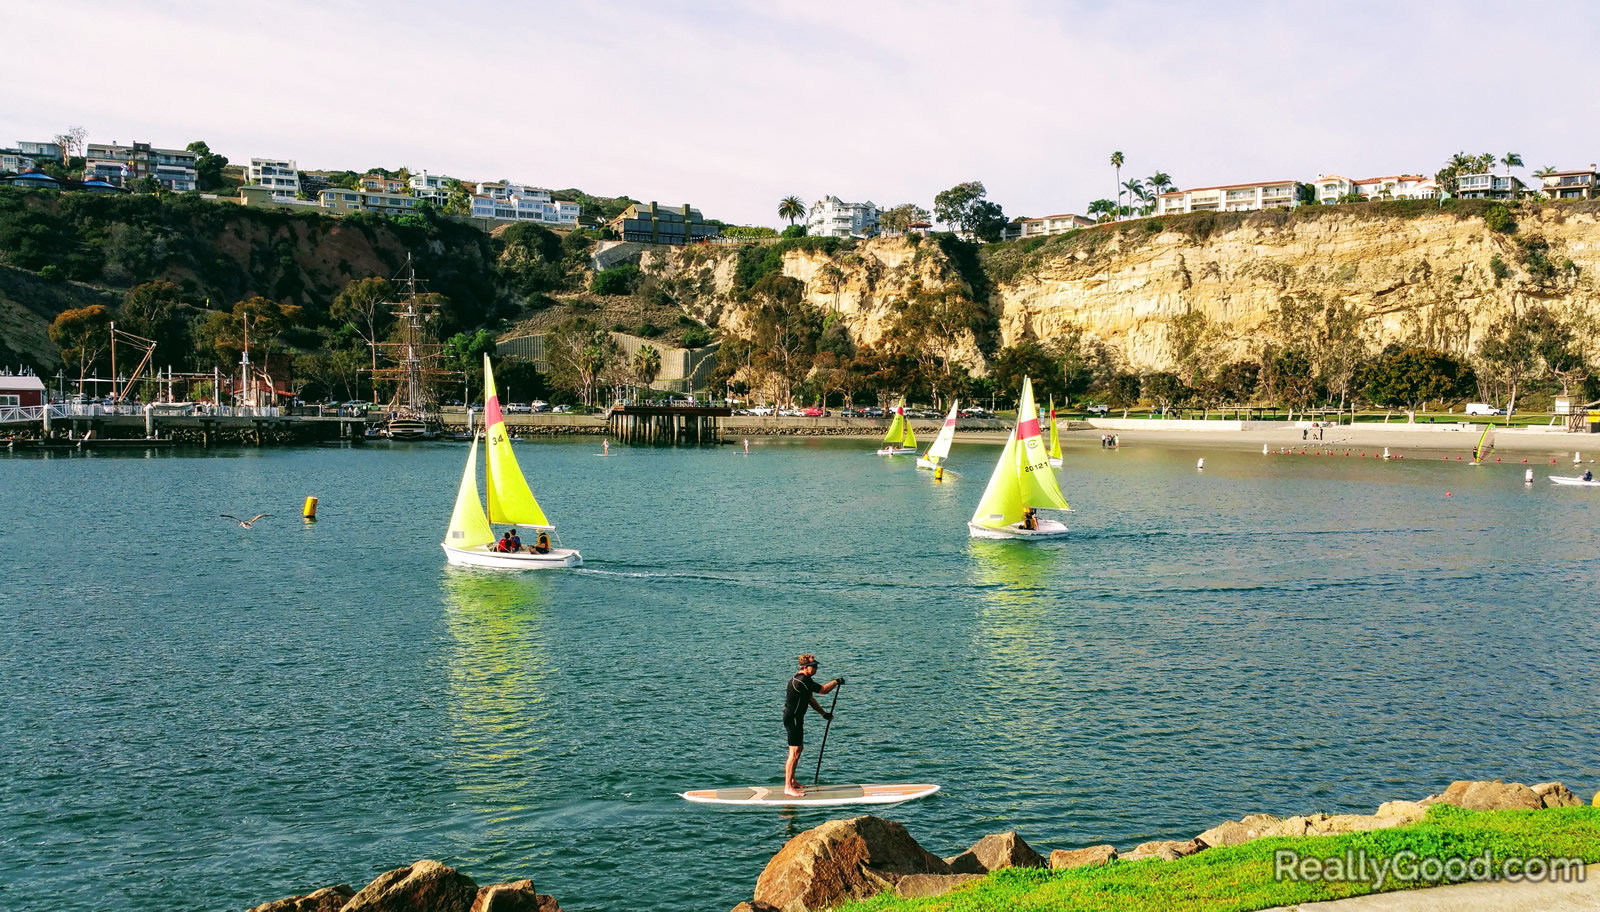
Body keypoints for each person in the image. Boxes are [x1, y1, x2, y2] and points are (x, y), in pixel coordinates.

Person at [784, 654, 842, 797]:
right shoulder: (801, 680)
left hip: (797, 718)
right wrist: (836, 681)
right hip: (793, 718)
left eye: (817, 666)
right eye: (814, 666)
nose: (816, 669)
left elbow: (810, 699)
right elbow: (823, 690)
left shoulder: (805, 680)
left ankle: (792, 781)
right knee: (794, 752)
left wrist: (823, 713)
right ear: (805, 667)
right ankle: (787, 787)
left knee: (798, 750)